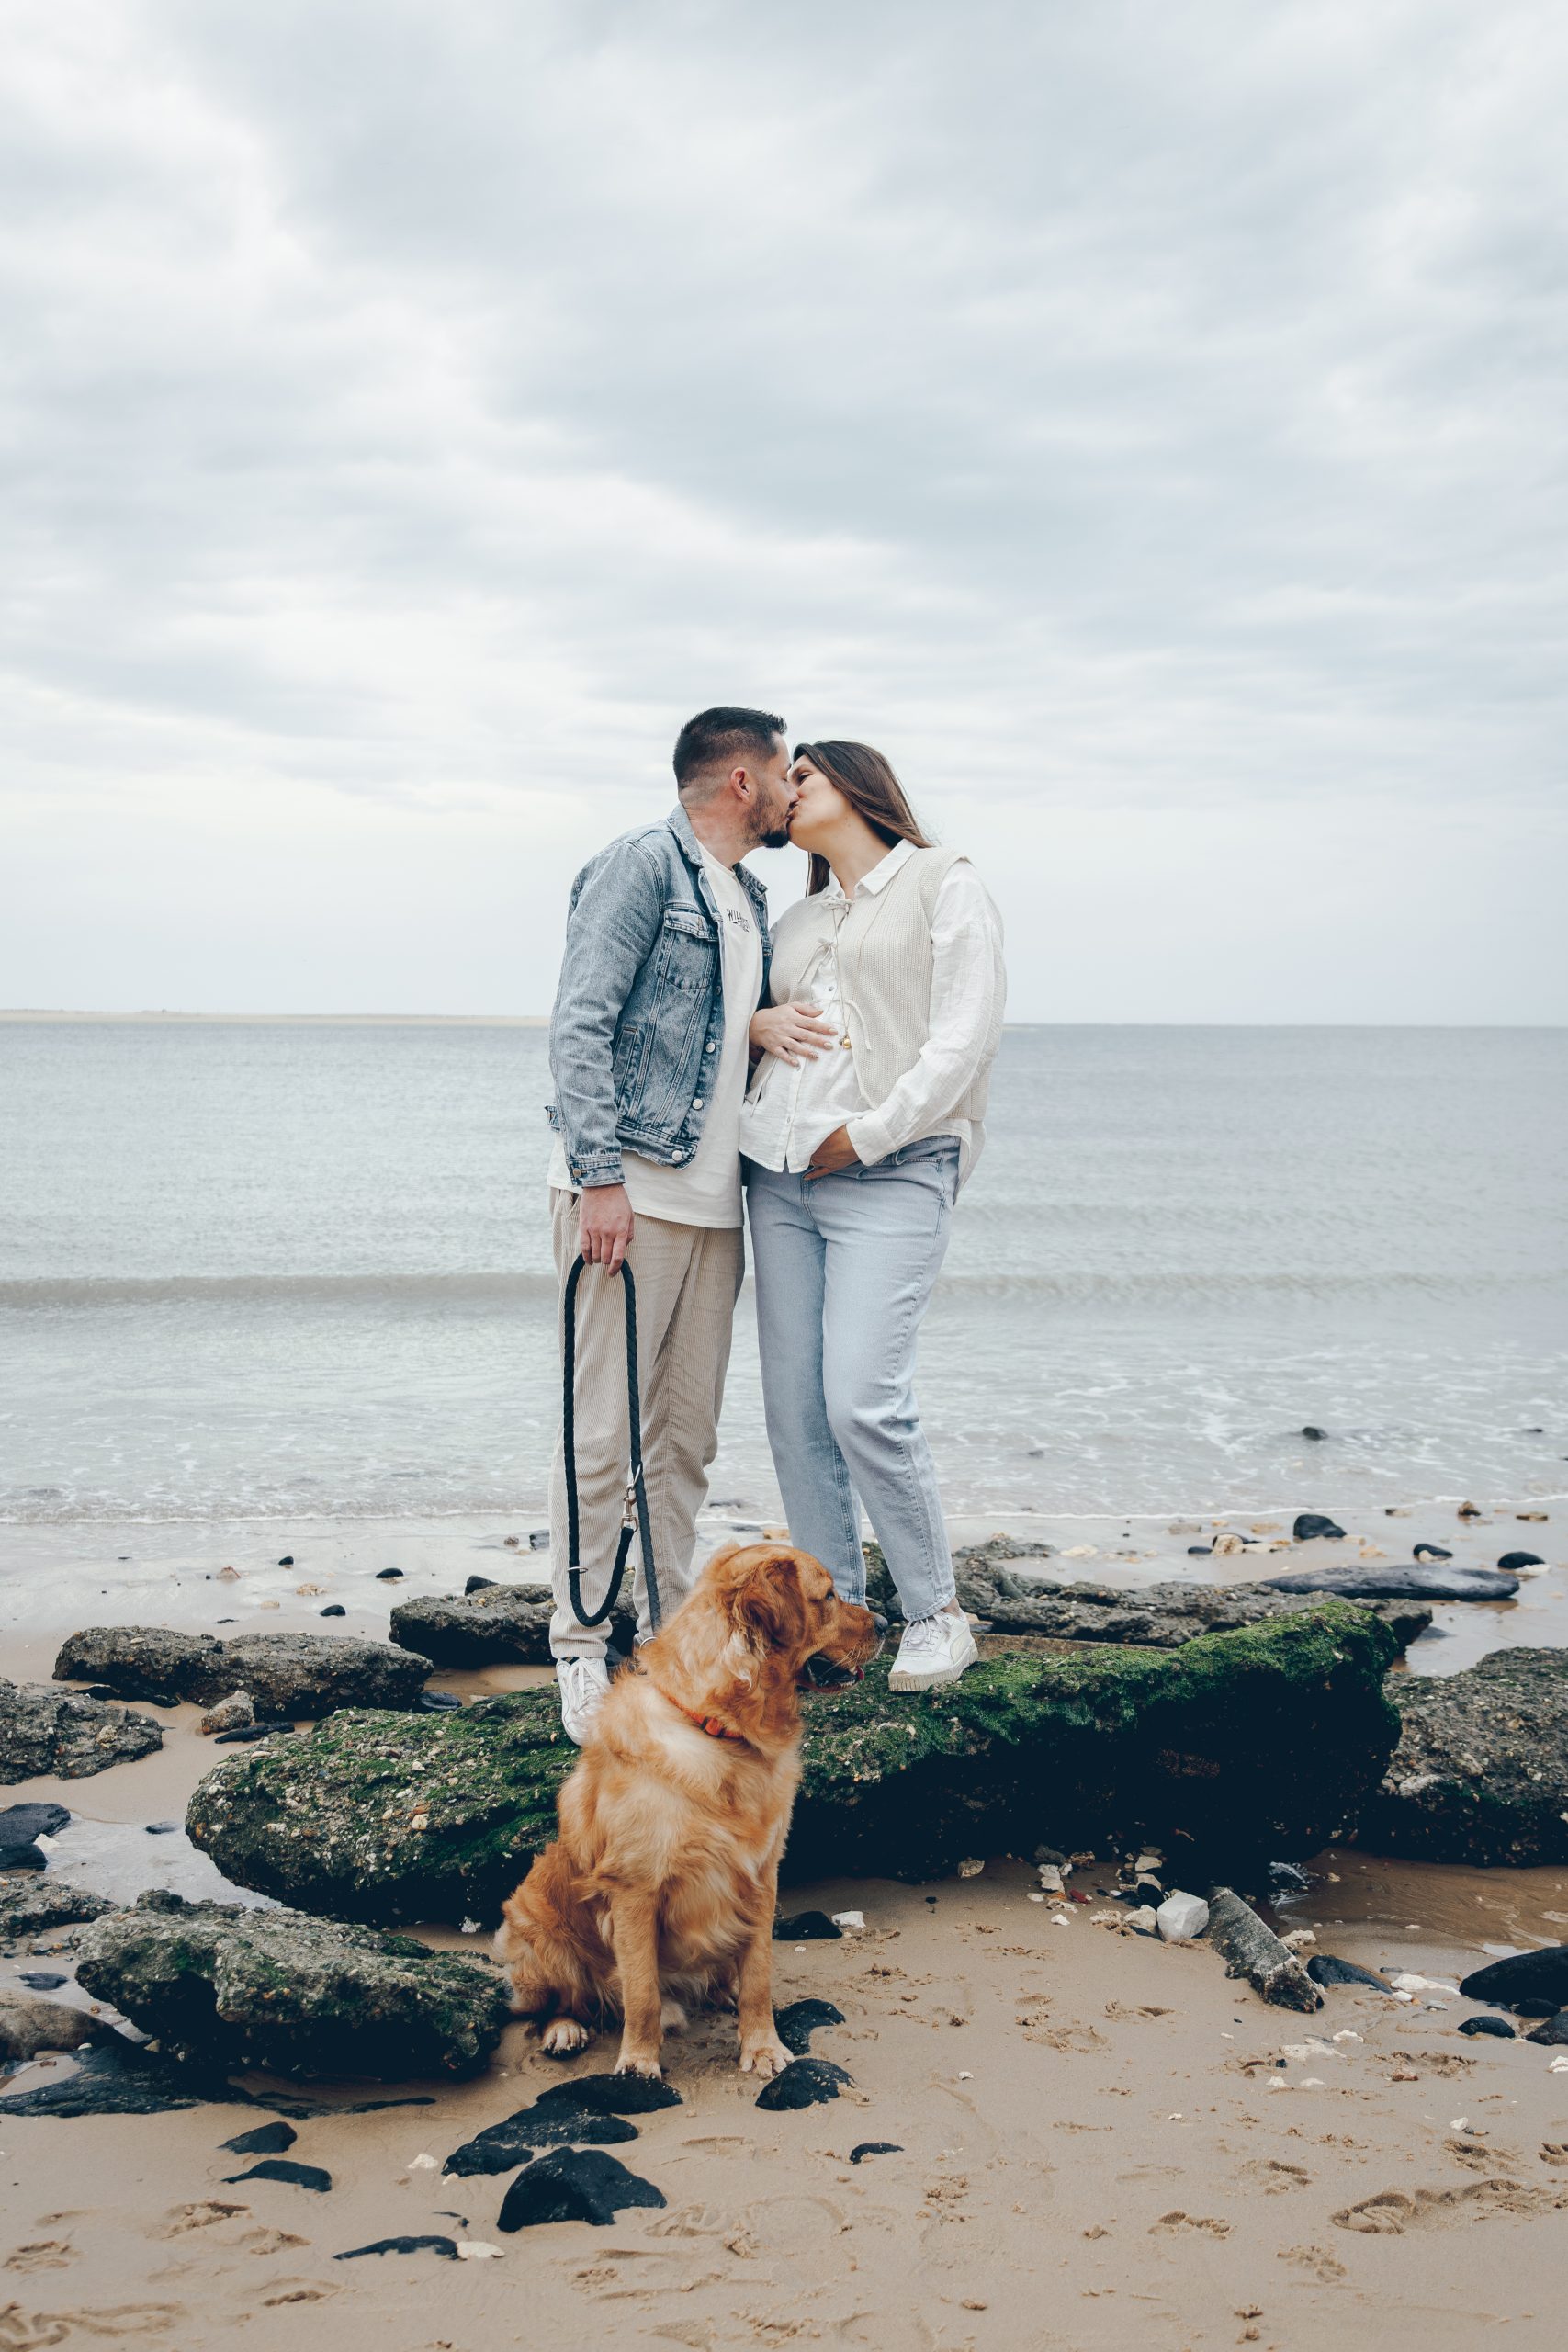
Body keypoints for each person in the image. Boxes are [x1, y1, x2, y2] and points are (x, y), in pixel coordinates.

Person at [544, 707, 796, 1741]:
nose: (793, 791)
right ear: (742, 780)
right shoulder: (642, 864)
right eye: (785, 773)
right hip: (626, 1196)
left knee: (683, 1440)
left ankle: (668, 1639)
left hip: (714, 1206)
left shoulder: (751, 896)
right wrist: (598, 1176)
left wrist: (755, 1027)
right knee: (599, 1432)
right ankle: (576, 1645)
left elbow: (686, 1032)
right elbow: (583, 1019)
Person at [739, 741, 1005, 1690]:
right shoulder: (796, 916)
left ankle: (937, 1612)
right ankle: (834, 1624)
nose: (784, 791)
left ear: (854, 784)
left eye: (800, 775)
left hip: (891, 1168)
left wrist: (871, 1133)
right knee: (797, 1411)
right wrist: (757, 1025)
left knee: (862, 1399)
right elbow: (746, 1022)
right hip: (775, 1173)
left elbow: (963, 1035)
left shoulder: (944, 881)